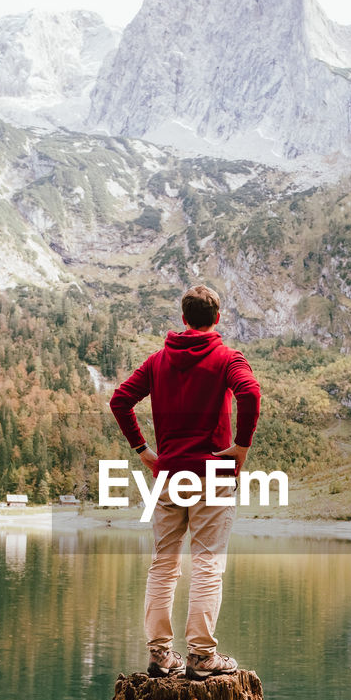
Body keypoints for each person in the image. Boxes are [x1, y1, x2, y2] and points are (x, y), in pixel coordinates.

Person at [109, 284, 260, 679]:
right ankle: (201, 657)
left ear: (183, 318)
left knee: (163, 565)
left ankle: (161, 656)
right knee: (207, 564)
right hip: (212, 473)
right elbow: (250, 393)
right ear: (218, 318)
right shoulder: (228, 358)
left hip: (169, 475)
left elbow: (120, 400)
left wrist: (144, 451)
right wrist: (241, 447)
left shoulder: (158, 361)